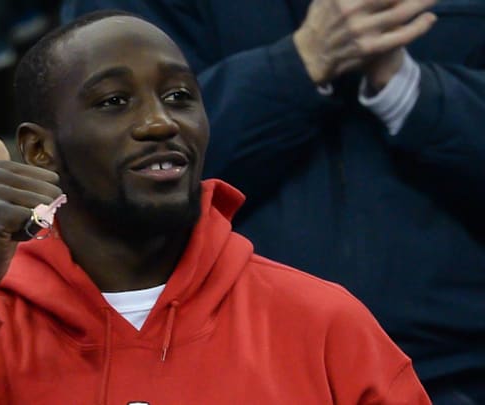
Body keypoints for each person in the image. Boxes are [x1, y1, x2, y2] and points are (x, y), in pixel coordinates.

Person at [0, 11, 431, 404]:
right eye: (114, 101)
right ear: (40, 149)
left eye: (179, 96)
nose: (159, 122)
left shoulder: (323, 322)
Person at [62, 1, 485, 402]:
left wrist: (407, 89)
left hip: (449, 367)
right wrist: (302, 64)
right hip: (219, 366)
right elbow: (107, 168)